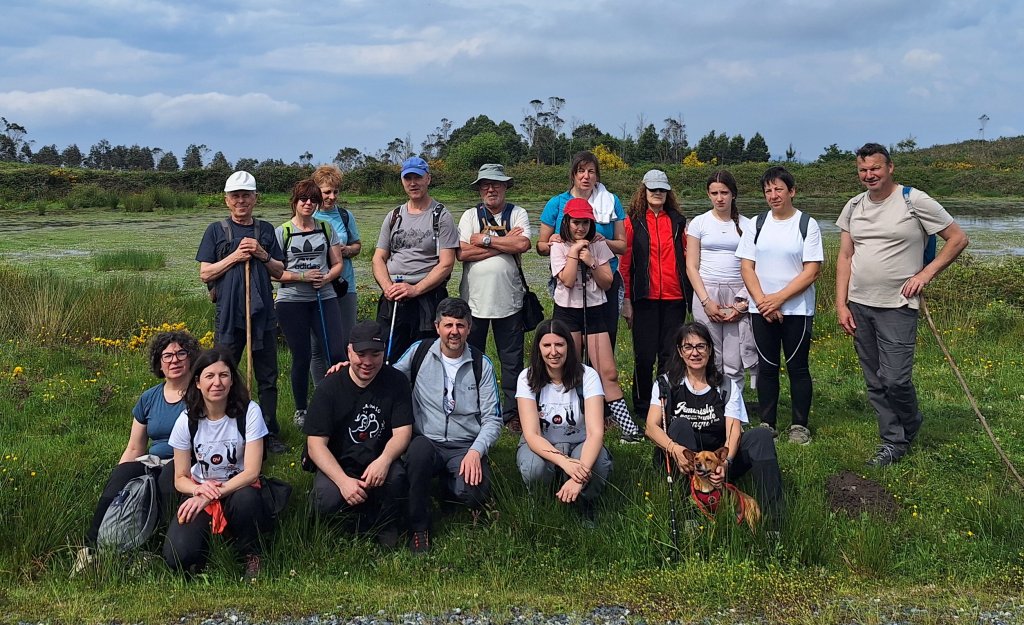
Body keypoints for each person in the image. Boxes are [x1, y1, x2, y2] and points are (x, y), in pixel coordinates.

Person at [837, 142, 969, 467]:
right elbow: (845, 256)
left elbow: (958, 238)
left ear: (890, 168)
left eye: (875, 168)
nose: (869, 175)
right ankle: (893, 441)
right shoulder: (853, 206)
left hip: (898, 305)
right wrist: (841, 304)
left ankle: (910, 422)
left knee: (895, 378)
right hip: (859, 306)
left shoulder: (913, 200)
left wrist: (926, 274)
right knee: (874, 380)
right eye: (863, 170)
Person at [76, 331, 201, 572]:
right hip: (153, 459)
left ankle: (155, 547)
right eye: (167, 356)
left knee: (168, 478)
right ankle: (91, 549)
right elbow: (135, 446)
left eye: (180, 354)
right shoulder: (149, 398)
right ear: (159, 364)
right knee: (121, 477)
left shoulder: (200, 393)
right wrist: (121, 473)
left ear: (191, 358)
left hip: (186, 460)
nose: (174, 360)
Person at [392, 297, 502, 554]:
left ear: (469, 328)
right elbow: (390, 378)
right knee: (417, 455)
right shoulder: (420, 351)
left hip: (464, 445)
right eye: (448, 325)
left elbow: (493, 419)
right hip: (427, 439)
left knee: (473, 492)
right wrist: (348, 368)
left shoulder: (481, 364)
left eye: (460, 326)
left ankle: (450, 490)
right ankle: (419, 526)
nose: (454, 332)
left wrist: (476, 451)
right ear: (437, 326)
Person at [645, 322, 782, 523]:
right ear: (680, 352)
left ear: (710, 350)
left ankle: (774, 523)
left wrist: (725, 464)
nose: (695, 352)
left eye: (701, 346)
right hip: (683, 459)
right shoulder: (666, 384)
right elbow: (650, 427)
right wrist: (674, 449)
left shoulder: (726, 385)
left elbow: (733, 432)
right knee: (680, 424)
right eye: (688, 347)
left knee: (761, 436)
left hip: (717, 459)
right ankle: (689, 514)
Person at [196, 170, 286, 453]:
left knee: (268, 376)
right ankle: (226, 426)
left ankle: (268, 431)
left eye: (246, 195)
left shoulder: (266, 230)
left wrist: (261, 254)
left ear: (255, 198)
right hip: (228, 316)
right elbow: (205, 272)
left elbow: (280, 270)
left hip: (262, 316)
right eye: (236, 196)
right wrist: (235, 256)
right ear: (227, 200)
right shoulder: (216, 230)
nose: (241, 201)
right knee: (222, 373)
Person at [162, 348, 272, 580]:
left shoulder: (250, 413)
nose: (217, 383)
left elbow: (252, 471)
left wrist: (211, 495)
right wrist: (198, 491)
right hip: (201, 489)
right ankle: (206, 554)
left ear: (232, 380)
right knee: (177, 556)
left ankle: (251, 554)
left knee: (247, 499)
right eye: (209, 376)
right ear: (198, 383)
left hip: (238, 489)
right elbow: (180, 478)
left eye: (224, 375)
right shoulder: (186, 420)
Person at [304, 321, 412, 547]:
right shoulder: (328, 387)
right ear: (349, 351)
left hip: (378, 463)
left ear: (384, 353)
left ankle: (386, 523)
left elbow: (403, 432)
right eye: (361, 353)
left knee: (397, 478)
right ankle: (346, 526)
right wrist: (343, 481)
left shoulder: (397, 382)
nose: (368, 362)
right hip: (339, 464)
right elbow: (315, 445)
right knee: (326, 499)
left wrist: (384, 459)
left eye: (375, 354)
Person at [736, 166, 823, 445]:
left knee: (798, 367)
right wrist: (763, 302)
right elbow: (747, 266)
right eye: (768, 190)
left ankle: (799, 425)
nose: (773, 195)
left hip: (796, 309)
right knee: (767, 366)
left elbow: (811, 271)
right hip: (760, 308)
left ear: (792, 191)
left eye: (779, 189)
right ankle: (767, 423)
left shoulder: (806, 224)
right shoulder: (756, 224)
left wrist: (779, 298)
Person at [550, 198, 642, 443]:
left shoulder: (599, 244)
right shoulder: (558, 246)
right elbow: (567, 280)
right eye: (575, 222)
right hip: (567, 311)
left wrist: (590, 259)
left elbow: (607, 282)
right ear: (567, 223)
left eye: (585, 223)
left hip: (595, 309)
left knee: (607, 372)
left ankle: (628, 427)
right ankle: (565, 421)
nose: (580, 228)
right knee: (567, 369)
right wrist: (573, 253)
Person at [457, 163, 532, 425]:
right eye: (485, 184)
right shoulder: (469, 216)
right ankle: (474, 410)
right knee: (472, 360)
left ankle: (513, 414)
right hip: (473, 305)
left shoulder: (518, 213)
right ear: (479, 189)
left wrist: (485, 240)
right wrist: (505, 244)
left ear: (505, 187)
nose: (491, 189)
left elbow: (523, 244)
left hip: (510, 303)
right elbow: (462, 253)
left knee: (512, 362)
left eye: (496, 184)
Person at [516, 319, 611, 524]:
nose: (553, 352)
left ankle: (585, 501)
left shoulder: (588, 376)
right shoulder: (527, 377)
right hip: (542, 444)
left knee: (599, 464)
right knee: (533, 468)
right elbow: (532, 435)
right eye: (547, 345)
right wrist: (565, 463)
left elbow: (596, 433)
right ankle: (540, 499)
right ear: (538, 349)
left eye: (559, 344)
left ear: (569, 345)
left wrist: (579, 475)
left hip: (580, 442)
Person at [537, 151, 627, 349]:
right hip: (568, 281)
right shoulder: (556, 203)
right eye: (581, 171)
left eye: (591, 172)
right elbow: (540, 246)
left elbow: (622, 246)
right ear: (573, 175)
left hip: (604, 279)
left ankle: (598, 378)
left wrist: (601, 243)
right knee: (570, 347)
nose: (586, 176)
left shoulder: (611, 201)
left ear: (597, 176)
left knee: (605, 341)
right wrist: (553, 242)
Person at [274, 179, 345, 427]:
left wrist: (326, 277)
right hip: (291, 301)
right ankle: (301, 410)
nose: (308, 203)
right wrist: (301, 277)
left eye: (313, 200)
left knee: (335, 351)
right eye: (304, 199)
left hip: (323, 297)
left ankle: (339, 402)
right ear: (294, 202)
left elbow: (338, 264)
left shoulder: (326, 228)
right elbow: (275, 272)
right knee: (301, 356)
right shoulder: (282, 232)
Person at [373, 156, 458, 362]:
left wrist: (415, 289)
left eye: (418, 177)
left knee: (424, 359)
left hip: (426, 298)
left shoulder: (441, 216)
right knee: (388, 358)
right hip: (393, 298)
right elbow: (378, 258)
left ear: (428, 179)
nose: (413, 183)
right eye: (408, 178)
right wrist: (387, 288)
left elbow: (446, 263)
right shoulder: (394, 216)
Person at [619, 169, 689, 411]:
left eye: (662, 189)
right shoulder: (632, 221)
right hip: (644, 298)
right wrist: (626, 299)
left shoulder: (679, 222)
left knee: (670, 355)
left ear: (668, 192)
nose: (658, 193)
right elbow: (625, 264)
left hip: (675, 298)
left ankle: (665, 402)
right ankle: (640, 405)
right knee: (645, 356)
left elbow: (689, 258)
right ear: (644, 191)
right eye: (653, 189)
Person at [686, 170, 758, 392]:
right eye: (714, 193)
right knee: (709, 353)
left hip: (737, 294)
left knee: (733, 358)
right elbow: (691, 266)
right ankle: (712, 403)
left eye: (724, 192)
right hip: (706, 292)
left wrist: (742, 302)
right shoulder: (699, 223)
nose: (719, 198)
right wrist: (706, 301)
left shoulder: (748, 225)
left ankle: (735, 407)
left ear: (733, 194)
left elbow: (754, 266)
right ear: (708, 195)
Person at [311, 164, 362, 384]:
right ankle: (321, 394)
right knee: (317, 347)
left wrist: (346, 250)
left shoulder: (345, 215)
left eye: (335, 192)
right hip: (317, 287)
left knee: (346, 342)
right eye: (326, 192)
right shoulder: (308, 215)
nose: (332, 197)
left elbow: (357, 245)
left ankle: (345, 390)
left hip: (344, 286)